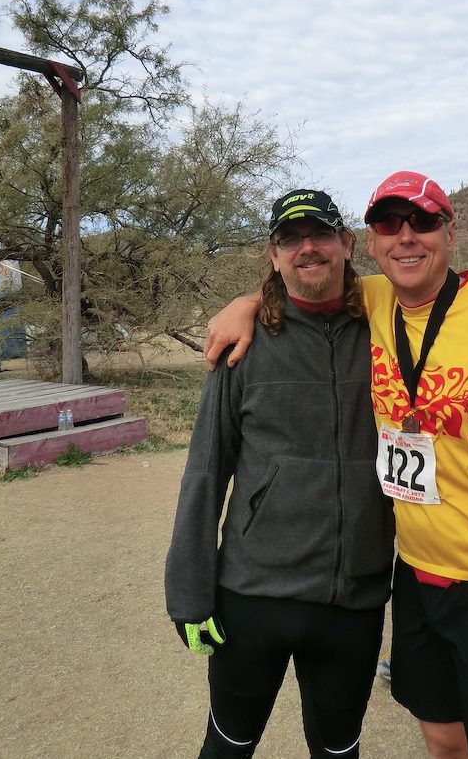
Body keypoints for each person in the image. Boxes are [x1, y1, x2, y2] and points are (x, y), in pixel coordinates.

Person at [206, 171, 468, 759]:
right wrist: (246, 305)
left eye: (424, 222)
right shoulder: (374, 302)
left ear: (450, 231)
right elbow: (305, 280)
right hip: (412, 575)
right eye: (390, 223)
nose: (407, 237)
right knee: (443, 738)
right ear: (372, 242)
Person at [165, 189, 395, 758]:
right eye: (290, 239)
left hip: (355, 598)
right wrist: (189, 594)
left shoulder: (390, 331)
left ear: (347, 244)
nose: (307, 249)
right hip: (253, 594)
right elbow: (206, 470)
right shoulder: (243, 346)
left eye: (320, 235)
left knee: (339, 751)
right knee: (227, 747)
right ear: (273, 255)